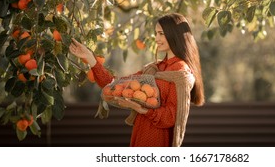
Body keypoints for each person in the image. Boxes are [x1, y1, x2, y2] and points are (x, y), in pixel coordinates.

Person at [69, 13, 205, 147]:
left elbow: (170, 117)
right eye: (156, 33)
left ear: (174, 34)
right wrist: (90, 58)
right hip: (140, 132)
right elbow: (115, 85)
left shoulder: (181, 72)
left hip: (157, 139)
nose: (156, 38)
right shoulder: (153, 69)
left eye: (161, 34)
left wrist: (142, 109)